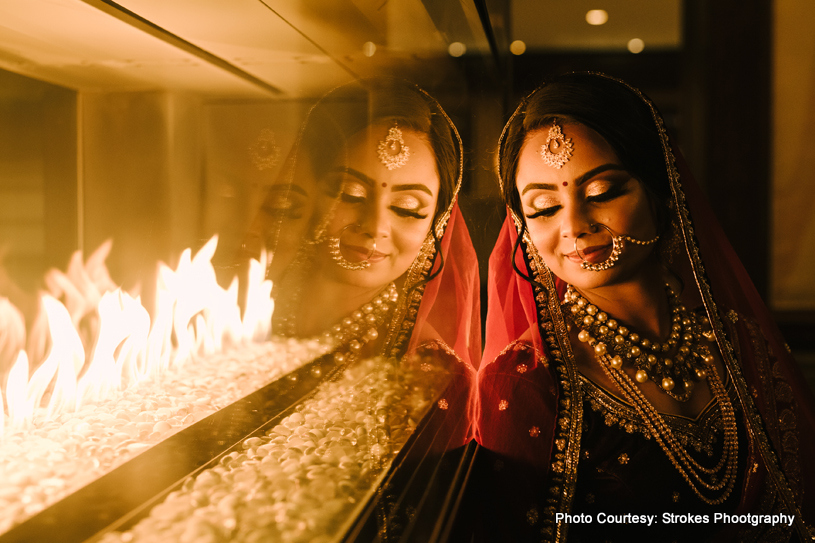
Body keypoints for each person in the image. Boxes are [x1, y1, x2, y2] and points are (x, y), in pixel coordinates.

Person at [475, 72, 815, 542]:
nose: (574, 225)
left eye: (602, 193)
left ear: (661, 189)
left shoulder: (740, 343)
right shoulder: (525, 379)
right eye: (543, 208)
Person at [241, 77, 480, 452]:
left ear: (437, 223)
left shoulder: (430, 376)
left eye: (408, 209)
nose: (375, 229)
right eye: (350, 194)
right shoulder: (231, 309)